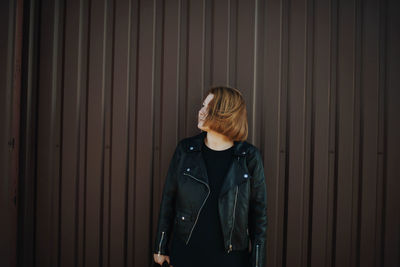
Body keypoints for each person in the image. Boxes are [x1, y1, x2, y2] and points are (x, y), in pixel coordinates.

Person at [153, 86, 267, 267]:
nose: (200, 111)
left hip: (231, 259)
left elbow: (259, 216)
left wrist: (258, 262)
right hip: (187, 254)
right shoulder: (186, 150)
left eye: (208, 108)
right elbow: (168, 200)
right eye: (202, 105)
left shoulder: (249, 157)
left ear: (224, 114)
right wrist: (160, 248)